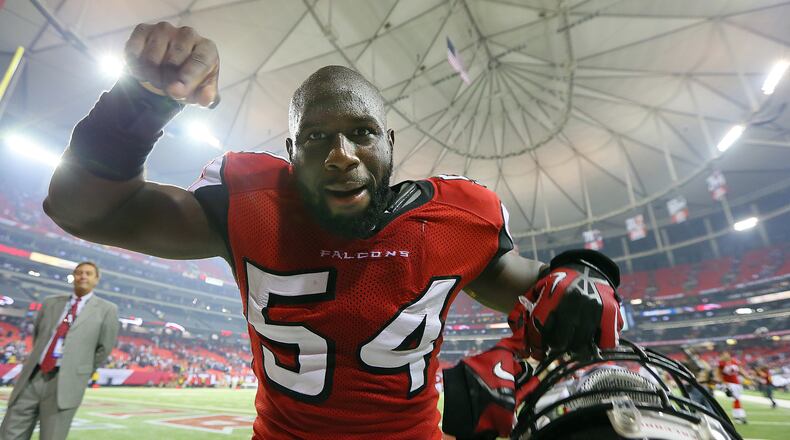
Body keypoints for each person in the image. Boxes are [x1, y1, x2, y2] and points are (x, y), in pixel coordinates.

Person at [43, 22, 622, 439]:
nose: (342, 155)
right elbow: (84, 211)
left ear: (390, 144)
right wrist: (137, 105)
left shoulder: (454, 223)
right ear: (291, 153)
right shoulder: (249, 206)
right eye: (317, 137)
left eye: (362, 133)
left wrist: (582, 278)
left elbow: (554, 292)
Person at [0, 262, 119, 440]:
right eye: (79, 273)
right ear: (73, 277)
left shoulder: (107, 310)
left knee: (52, 435)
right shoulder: (50, 303)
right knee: (10, 431)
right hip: (34, 376)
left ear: (96, 279)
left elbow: (104, 348)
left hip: (66, 381)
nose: (83, 276)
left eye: (88, 273)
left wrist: (80, 370)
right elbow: (39, 335)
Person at [718, 351, 747, 424]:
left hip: (736, 383)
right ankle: (739, 416)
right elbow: (719, 374)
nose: (725, 355)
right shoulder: (721, 363)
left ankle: (738, 416)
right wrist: (723, 383)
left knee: (736, 399)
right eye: (724, 354)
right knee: (736, 399)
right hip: (729, 383)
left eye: (726, 354)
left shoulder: (735, 361)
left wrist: (748, 377)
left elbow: (741, 370)